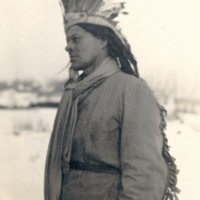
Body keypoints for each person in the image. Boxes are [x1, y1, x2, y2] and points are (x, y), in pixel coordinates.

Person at [44, 1, 179, 200]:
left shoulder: (131, 90)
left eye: (76, 39)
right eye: (67, 40)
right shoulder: (71, 94)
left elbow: (144, 177)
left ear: (103, 40)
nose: (68, 47)